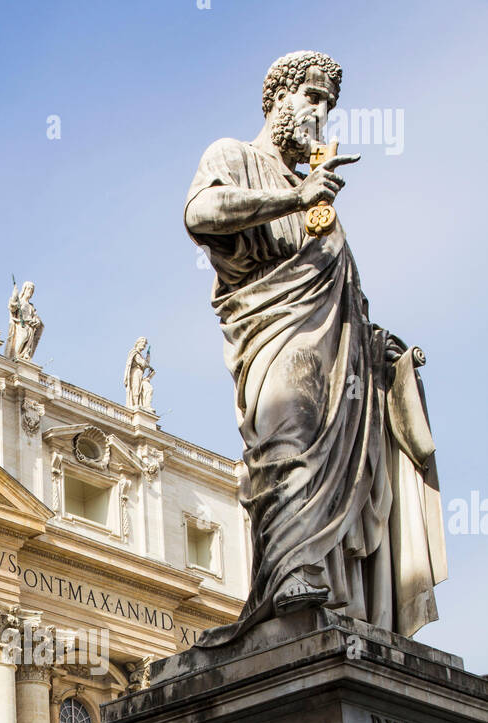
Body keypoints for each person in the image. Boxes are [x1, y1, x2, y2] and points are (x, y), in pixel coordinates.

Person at [183, 50, 445, 643]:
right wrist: (296, 201)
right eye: (313, 97)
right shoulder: (234, 157)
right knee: (285, 436)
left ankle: (332, 587)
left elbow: (346, 302)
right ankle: (289, 575)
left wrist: (381, 354)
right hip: (273, 333)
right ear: (278, 97)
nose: (321, 114)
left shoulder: (318, 195)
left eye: (329, 103)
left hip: (337, 359)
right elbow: (200, 213)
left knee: (335, 459)